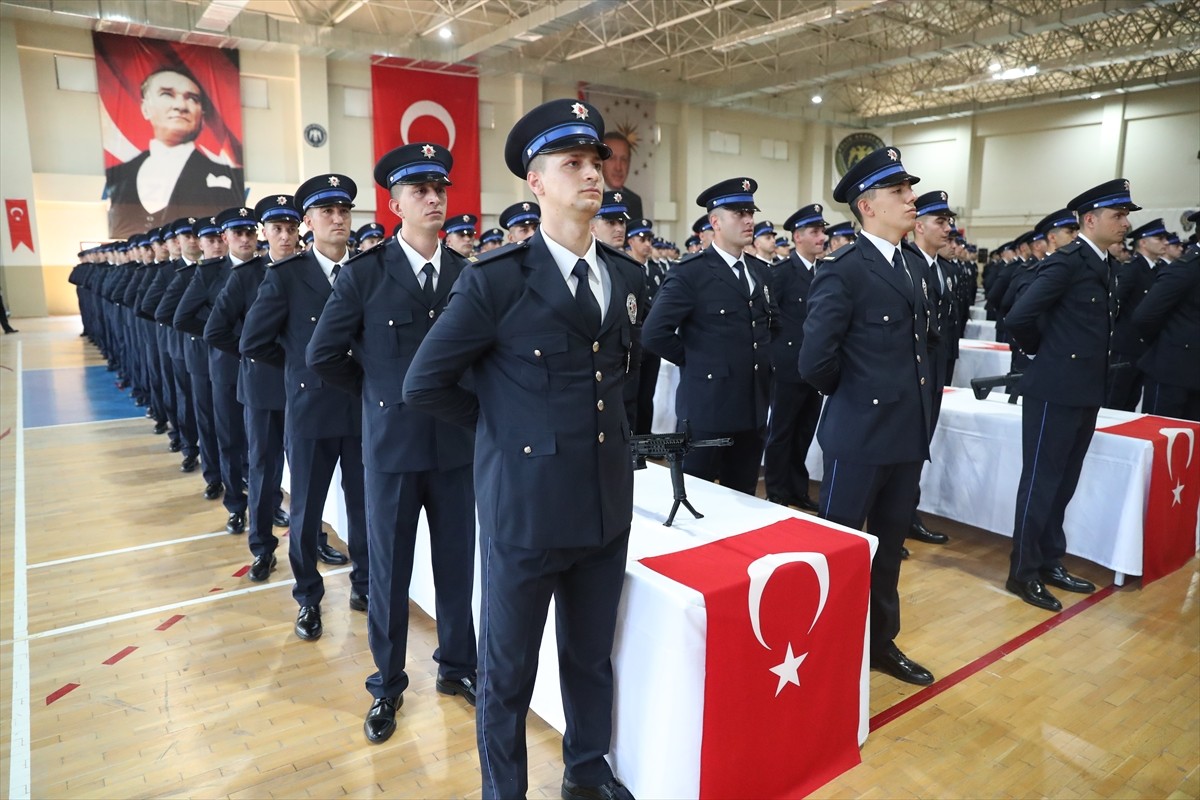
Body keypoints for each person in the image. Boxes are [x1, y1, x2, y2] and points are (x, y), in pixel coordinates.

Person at [403, 98, 645, 800]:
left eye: (595, 161)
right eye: (571, 164)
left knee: (590, 660)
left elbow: (620, 385)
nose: (591, 174)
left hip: (604, 508)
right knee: (506, 675)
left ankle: (587, 773)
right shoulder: (497, 280)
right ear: (536, 184)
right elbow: (426, 383)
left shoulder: (626, 278)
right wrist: (503, 430)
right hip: (528, 515)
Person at [307, 142, 479, 745]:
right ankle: (387, 683)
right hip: (393, 452)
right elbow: (324, 354)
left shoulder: (469, 275)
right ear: (396, 202)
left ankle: (458, 668)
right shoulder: (366, 275)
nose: (434, 199)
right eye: (420, 191)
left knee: (459, 566)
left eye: (441, 189)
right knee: (388, 572)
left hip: (458, 449)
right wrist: (377, 395)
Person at [797, 145, 936, 686]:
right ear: (869, 205)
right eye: (900, 192)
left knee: (889, 551)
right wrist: (856, 398)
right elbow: (815, 361)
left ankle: (879, 641)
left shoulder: (907, 264)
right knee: (843, 549)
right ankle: (831, 645)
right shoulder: (844, 269)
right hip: (859, 436)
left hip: (904, 435)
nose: (911, 200)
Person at [241, 174, 366, 641]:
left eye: (344, 211)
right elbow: (254, 341)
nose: (338, 219)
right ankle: (309, 597)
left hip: (358, 407)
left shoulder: (367, 270)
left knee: (365, 507)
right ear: (308, 222)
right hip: (311, 411)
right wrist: (299, 367)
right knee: (307, 511)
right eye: (327, 212)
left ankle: (365, 583)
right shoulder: (287, 277)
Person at [1004, 179, 1139, 612]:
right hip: (1053, 389)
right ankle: (1022, 572)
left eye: (1125, 215)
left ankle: (1049, 560)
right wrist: (1048, 354)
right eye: (1118, 215)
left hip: (1084, 390)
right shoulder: (1067, 262)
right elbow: (1020, 316)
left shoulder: (1105, 263)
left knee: (1064, 482)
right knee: (1041, 482)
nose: (1125, 223)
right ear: (1090, 219)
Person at [642, 177, 774, 496]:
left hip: (753, 405)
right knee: (699, 496)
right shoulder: (691, 273)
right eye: (738, 213)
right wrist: (697, 361)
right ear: (715, 221)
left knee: (743, 495)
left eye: (750, 213)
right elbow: (653, 333)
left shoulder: (761, 271)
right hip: (708, 406)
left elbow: (772, 327)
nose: (748, 220)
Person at [204, 195, 300, 582]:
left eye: (292, 229)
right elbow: (215, 330)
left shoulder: (310, 271)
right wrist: (252, 355)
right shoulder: (246, 276)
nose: (285, 236)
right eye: (277, 229)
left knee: (309, 475)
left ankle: (310, 541)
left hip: (307, 390)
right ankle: (262, 547)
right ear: (265, 233)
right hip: (262, 389)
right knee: (263, 469)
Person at [175, 206, 259, 535]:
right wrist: (227, 338)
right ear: (225, 238)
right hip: (225, 367)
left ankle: (263, 500)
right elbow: (182, 316)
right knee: (230, 438)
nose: (245, 238)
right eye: (238, 233)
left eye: (250, 232)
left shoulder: (267, 270)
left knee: (260, 442)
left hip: (261, 370)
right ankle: (236, 504)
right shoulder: (209, 273)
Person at [105, 67, 244, 238]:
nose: (180, 106)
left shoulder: (227, 177)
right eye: (167, 94)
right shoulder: (119, 177)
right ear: (145, 108)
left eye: (192, 99)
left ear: (202, 114)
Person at [762, 203, 827, 512]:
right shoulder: (782, 273)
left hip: (814, 369)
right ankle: (776, 490)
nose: (822, 237)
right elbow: (768, 319)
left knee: (804, 432)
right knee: (782, 432)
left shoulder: (824, 271)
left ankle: (797, 488)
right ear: (798, 237)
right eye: (815, 232)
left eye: (822, 231)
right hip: (787, 367)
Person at [904, 190, 960, 547]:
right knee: (905, 448)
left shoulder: (945, 269)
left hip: (936, 373)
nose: (948, 228)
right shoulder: (907, 264)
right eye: (940, 221)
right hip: (911, 374)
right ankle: (897, 516)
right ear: (918, 225)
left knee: (920, 446)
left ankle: (908, 513)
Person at [1134, 226, 1200, 421]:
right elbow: (1144, 316)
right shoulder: (1187, 267)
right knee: (1163, 438)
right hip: (1173, 371)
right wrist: (1167, 344)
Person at [1107, 218, 1168, 410]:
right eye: (1159, 238)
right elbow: (1114, 305)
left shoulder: (1159, 270)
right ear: (1142, 242)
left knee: (1132, 401)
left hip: (1145, 347)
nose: (1165, 242)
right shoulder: (1133, 269)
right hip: (1125, 346)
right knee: (1115, 400)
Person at [625, 218, 664, 435]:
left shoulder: (656, 271)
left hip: (651, 344)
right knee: (631, 395)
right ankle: (632, 443)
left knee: (647, 394)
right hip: (633, 341)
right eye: (642, 239)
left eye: (649, 239)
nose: (647, 243)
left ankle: (646, 439)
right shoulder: (625, 267)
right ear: (631, 241)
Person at [601, 131, 644, 221]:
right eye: (612, 159)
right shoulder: (590, 195)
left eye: (624, 160)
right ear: (600, 162)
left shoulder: (634, 201)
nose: (618, 168)